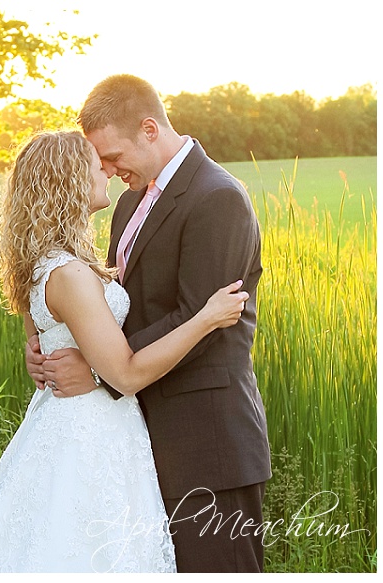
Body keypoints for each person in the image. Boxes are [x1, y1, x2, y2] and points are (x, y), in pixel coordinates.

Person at [0, 130, 249, 572]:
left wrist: (40, 355)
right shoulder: (70, 275)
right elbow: (125, 374)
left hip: (73, 420)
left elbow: (39, 339)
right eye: (94, 163)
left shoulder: (43, 264)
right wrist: (205, 317)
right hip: (91, 430)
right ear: (68, 180)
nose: (106, 169)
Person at [25, 75, 272, 572]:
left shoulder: (216, 197)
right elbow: (114, 308)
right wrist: (51, 343)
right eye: (102, 162)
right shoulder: (128, 205)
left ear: (149, 129)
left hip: (206, 441)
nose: (110, 171)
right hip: (138, 441)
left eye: (113, 156)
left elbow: (201, 319)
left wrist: (94, 371)